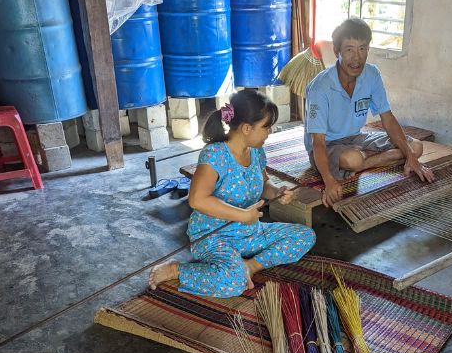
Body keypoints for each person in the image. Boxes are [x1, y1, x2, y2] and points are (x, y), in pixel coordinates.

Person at [148, 89, 316, 298]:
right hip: (213, 237)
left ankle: (250, 266)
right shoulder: (215, 154)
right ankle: (177, 270)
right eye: (266, 127)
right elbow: (197, 199)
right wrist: (242, 216)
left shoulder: (256, 151)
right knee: (233, 283)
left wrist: (278, 192)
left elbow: (264, 184)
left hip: (249, 234)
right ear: (247, 128)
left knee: (305, 236)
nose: (269, 132)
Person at [304, 18, 434, 207]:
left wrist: (412, 158)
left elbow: (387, 118)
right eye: (349, 49)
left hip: (356, 139)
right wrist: (329, 180)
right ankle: (362, 161)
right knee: (353, 158)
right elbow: (317, 141)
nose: (357, 58)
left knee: (416, 148)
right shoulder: (320, 87)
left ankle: (364, 162)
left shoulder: (372, 74)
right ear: (336, 52)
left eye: (362, 48)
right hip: (327, 145)